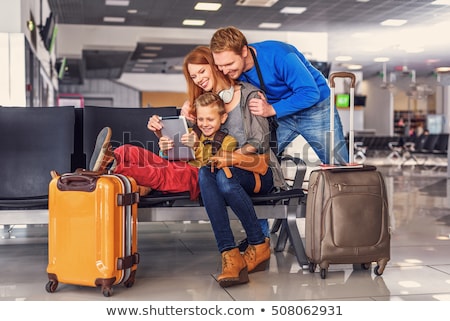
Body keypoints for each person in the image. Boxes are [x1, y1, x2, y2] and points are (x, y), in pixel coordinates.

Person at [149, 46, 286, 288]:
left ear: (215, 65)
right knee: (207, 172)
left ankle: (257, 243)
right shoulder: (197, 107)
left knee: (223, 176)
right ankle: (231, 254)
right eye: (193, 76)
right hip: (216, 168)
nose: (199, 79)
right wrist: (165, 134)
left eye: (203, 71)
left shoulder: (249, 96)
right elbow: (192, 154)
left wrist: (228, 157)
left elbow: (260, 143)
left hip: (258, 170)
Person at [203, 26, 349, 165]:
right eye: (219, 66)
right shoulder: (228, 69)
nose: (224, 71)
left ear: (244, 51)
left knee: (337, 163)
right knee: (258, 159)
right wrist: (190, 106)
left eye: (229, 64)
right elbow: (214, 91)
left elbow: (310, 93)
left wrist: (271, 109)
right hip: (280, 114)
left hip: (315, 109)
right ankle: (276, 189)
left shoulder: (280, 55)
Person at [90, 92, 237, 201]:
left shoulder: (228, 141)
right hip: (176, 165)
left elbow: (214, 167)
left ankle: (112, 167)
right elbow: (166, 157)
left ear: (223, 118)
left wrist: (197, 147)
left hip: (195, 177)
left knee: (157, 173)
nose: (204, 124)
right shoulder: (191, 131)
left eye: (210, 119)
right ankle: (112, 156)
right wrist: (165, 147)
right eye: (200, 119)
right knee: (130, 150)